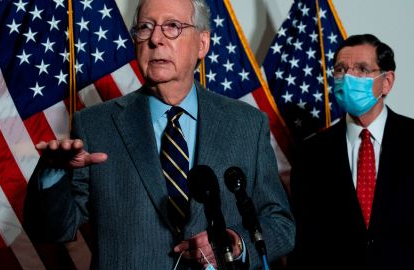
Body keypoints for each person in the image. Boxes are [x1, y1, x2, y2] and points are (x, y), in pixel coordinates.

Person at [23, 0, 295, 269]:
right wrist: (53, 173)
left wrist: (236, 244)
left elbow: (280, 224)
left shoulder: (247, 123)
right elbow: (54, 230)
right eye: (145, 27)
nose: (155, 39)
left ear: (203, 43)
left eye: (172, 26)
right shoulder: (95, 125)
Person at [288, 34, 414, 270]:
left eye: (362, 69)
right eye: (341, 69)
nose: (349, 77)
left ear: (387, 81)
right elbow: (304, 246)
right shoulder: (310, 154)